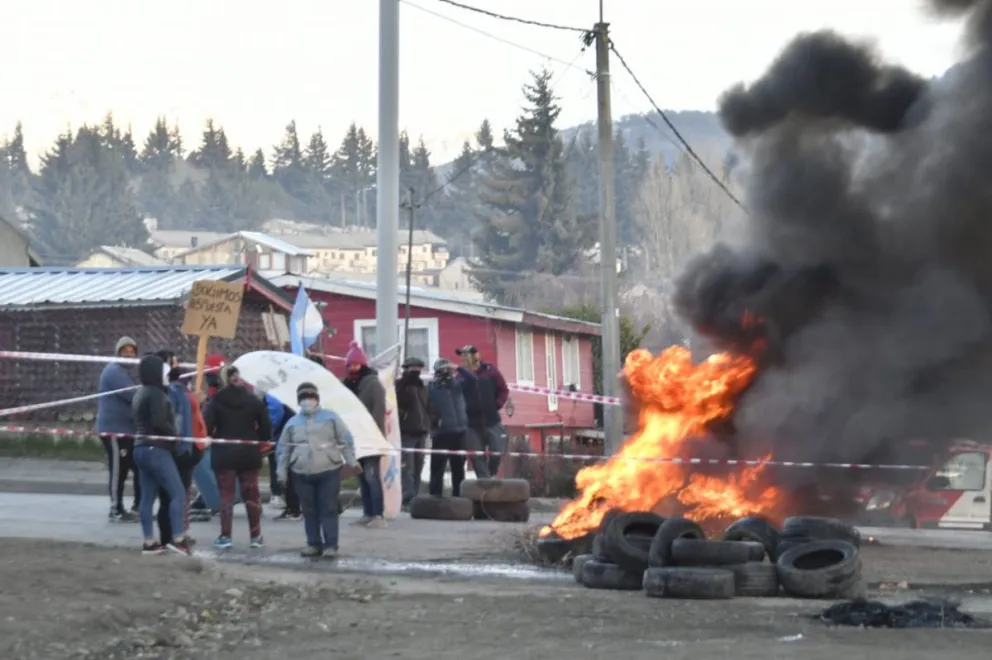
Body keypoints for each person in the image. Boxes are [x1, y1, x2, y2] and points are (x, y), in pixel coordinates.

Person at [277, 382, 358, 558]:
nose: (308, 400)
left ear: (317, 398)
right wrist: (281, 472)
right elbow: (283, 449)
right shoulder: (292, 423)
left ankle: (331, 545)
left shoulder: (331, 418)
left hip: (328, 469)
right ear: (299, 401)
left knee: (328, 508)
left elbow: (345, 440)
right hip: (301, 472)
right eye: (304, 398)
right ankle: (313, 543)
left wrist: (352, 461)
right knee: (308, 510)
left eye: (311, 397)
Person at [204, 365, 271, 550]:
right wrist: (257, 437)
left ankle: (225, 537)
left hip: (224, 454)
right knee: (251, 494)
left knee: (226, 495)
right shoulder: (254, 400)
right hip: (249, 453)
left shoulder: (216, 400)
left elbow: (207, 426)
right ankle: (256, 536)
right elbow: (266, 430)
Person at [131, 353, 190, 555]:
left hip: (140, 448)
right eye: (163, 371)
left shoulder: (140, 393)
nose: (167, 374)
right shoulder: (156, 394)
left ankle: (149, 541)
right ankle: (178, 539)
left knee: (147, 498)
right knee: (178, 493)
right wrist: (175, 436)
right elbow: (159, 422)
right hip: (157, 449)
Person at [155, 351, 203, 548]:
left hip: (177, 447)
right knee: (176, 495)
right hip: (179, 449)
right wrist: (184, 446)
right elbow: (180, 421)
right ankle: (174, 537)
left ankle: (174, 535)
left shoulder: (172, 392)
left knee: (173, 495)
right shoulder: (176, 392)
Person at [342, 340, 387, 529]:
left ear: (362, 364)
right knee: (362, 477)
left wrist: (374, 437)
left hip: (370, 438)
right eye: (349, 364)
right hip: (353, 438)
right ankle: (367, 512)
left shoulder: (373, 384)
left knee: (371, 476)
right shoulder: (346, 384)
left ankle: (378, 514)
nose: (352, 367)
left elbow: (378, 411)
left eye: (355, 364)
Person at [97, 336, 141, 522]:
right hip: (114, 430)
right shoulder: (114, 371)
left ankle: (138, 506)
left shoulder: (124, 373)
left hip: (128, 431)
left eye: (132, 352)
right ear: (118, 352)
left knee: (138, 467)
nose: (129, 355)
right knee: (118, 470)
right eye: (126, 352)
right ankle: (116, 509)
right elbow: (133, 395)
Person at [455, 345, 509, 478]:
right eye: (462, 355)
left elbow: (503, 390)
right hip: (471, 424)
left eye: (466, 354)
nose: (463, 358)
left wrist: (496, 404)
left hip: (492, 420)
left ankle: (491, 473)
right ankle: (485, 483)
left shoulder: (490, 371)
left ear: (476, 356)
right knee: (476, 456)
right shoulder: (459, 377)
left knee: (497, 451)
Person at [427, 359, 468, 497]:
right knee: (437, 466)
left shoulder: (459, 385)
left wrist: (458, 367)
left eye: (448, 370)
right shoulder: (432, 387)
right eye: (443, 370)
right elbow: (426, 408)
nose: (446, 373)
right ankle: (435, 495)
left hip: (460, 432)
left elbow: (472, 379)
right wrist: (434, 422)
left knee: (459, 468)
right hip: (441, 433)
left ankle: (459, 495)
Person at [259, 386, 300, 521]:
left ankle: (292, 508)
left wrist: (268, 434)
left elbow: (274, 413)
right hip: (294, 432)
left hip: (283, 436)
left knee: (286, 471)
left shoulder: (273, 392)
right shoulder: (288, 389)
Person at [395, 356, 430, 505]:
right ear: (406, 369)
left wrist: (429, 422)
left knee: (418, 465)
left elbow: (427, 407)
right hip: (407, 431)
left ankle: (415, 495)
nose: (416, 371)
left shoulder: (422, 387)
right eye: (413, 368)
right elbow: (397, 405)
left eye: (419, 368)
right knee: (406, 466)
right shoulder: (399, 385)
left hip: (421, 431)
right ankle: (407, 497)